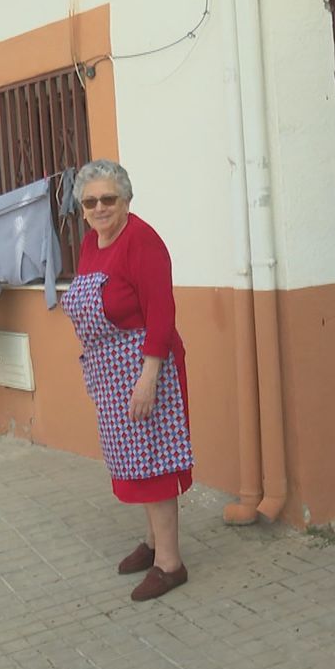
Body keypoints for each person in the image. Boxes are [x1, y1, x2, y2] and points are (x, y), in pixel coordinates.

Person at [61, 159, 195, 602]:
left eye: (108, 200)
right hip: (110, 372)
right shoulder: (91, 244)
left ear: (126, 200)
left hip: (144, 367)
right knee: (134, 461)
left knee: (154, 463)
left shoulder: (142, 241)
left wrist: (149, 377)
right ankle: (154, 543)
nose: (99, 208)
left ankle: (170, 564)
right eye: (90, 202)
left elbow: (162, 312)